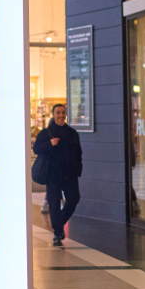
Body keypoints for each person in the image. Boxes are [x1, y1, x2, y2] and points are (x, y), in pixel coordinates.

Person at [32, 103, 82, 246]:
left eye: (63, 112)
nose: (61, 115)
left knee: (74, 199)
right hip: (52, 175)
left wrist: (77, 170)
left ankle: (58, 224)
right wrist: (50, 143)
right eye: (58, 113)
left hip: (70, 174)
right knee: (54, 204)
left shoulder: (72, 133)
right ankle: (58, 233)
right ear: (53, 115)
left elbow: (78, 154)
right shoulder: (46, 133)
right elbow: (36, 149)